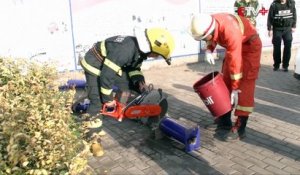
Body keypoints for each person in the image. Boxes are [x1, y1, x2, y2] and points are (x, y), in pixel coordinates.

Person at [79, 27, 175, 155]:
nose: (155, 57)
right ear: (152, 47)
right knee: (96, 100)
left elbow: (133, 69)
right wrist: (108, 100)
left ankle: (121, 109)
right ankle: (93, 139)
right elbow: (106, 76)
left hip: (108, 65)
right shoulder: (125, 50)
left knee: (128, 86)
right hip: (94, 65)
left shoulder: (139, 50)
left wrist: (139, 82)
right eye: (157, 54)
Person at [190, 13, 262, 141]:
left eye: (204, 39)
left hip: (250, 49)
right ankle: (224, 121)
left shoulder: (230, 31)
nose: (205, 41)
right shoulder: (208, 21)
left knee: (244, 88)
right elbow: (212, 37)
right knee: (225, 81)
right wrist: (209, 49)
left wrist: (235, 87)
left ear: (210, 32)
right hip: (235, 47)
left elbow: (236, 60)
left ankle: (240, 129)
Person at [267, 0, 297, 72]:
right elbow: (270, 17)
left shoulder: (291, 3)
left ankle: (285, 65)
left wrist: (293, 26)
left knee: (288, 47)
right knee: (277, 47)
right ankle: (276, 65)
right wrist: (269, 29)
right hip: (277, 29)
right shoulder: (274, 4)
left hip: (287, 29)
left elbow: (294, 15)